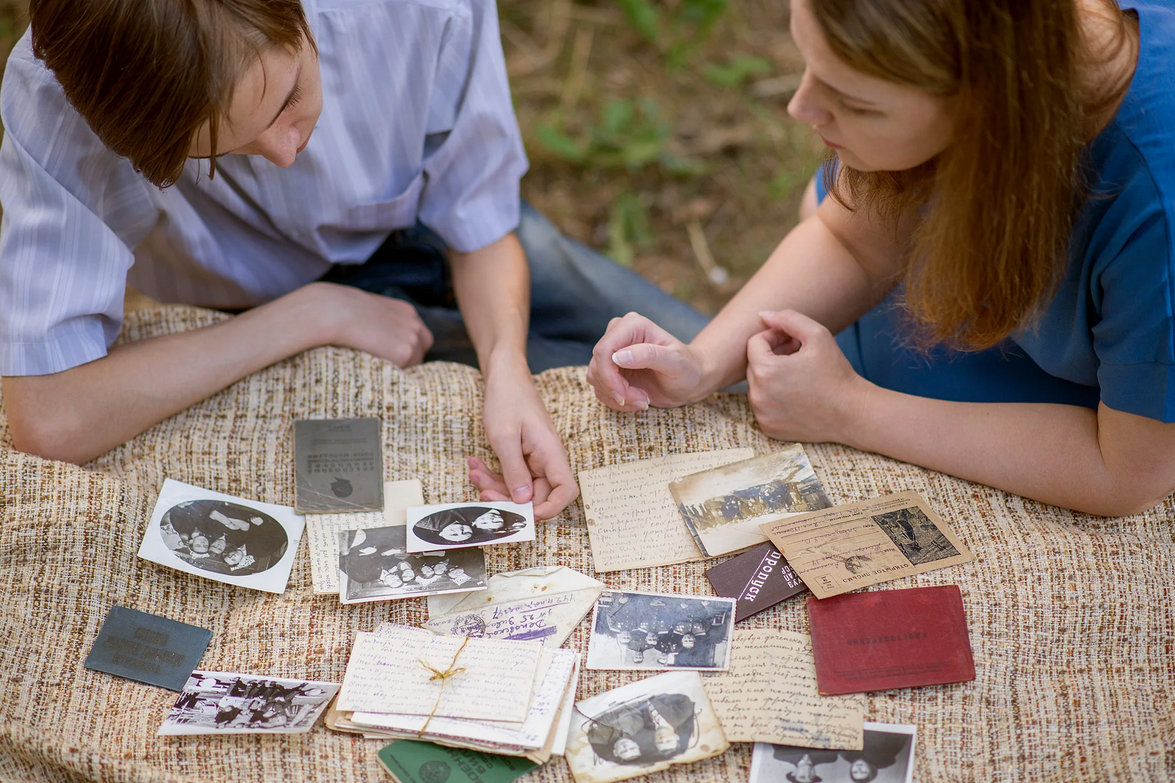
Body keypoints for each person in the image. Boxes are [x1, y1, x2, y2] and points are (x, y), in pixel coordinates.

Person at [0, 0, 708, 521]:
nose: (284, 152)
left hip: (443, 234)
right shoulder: (68, 84)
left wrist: (507, 368)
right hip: (241, 307)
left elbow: (479, 219)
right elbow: (47, 416)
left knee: (697, 374)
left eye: (289, 97)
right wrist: (309, 316)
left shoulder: (411, 10)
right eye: (220, 154)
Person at [587, 0, 1175, 518]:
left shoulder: (1155, 211)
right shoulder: (982, 65)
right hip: (910, 357)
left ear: (987, 108)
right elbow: (850, 240)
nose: (799, 107)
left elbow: (1126, 472)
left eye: (854, 102)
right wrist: (702, 363)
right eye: (808, 63)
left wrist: (849, 410)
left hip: (1050, 427)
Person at [411, 505, 528, 546]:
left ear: (441, 533)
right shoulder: (466, 518)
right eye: (466, 532)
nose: (460, 530)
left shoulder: (427, 522)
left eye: (454, 534)